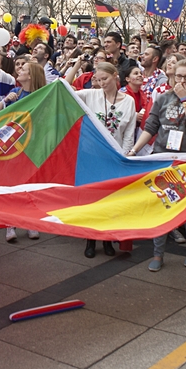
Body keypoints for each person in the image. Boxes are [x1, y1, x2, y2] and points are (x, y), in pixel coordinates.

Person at [128, 58, 186, 271]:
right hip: (163, 156)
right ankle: (158, 253)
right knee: (162, 205)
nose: (181, 80)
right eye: (178, 76)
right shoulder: (163, 98)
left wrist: (185, 101)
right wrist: (135, 150)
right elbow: (151, 126)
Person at [76, 62, 136, 259]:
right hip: (91, 155)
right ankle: (90, 239)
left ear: (115, 76)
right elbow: (64, 89)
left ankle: (107, 238)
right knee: (91, 199)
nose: (101, 83)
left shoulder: (128, 101)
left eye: (105, 79)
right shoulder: (91, 95)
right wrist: (76, 64)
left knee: (110, 200)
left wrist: (123, 155)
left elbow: (128, 132)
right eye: (98, 79)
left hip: (114, 155)